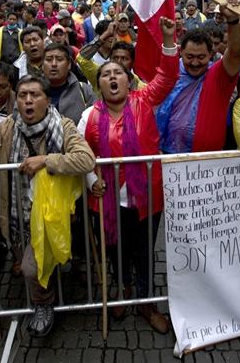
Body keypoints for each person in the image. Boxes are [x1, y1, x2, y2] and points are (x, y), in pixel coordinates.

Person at [80, 17, 178, 333]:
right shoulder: (89, 115)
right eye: (106, 74)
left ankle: (147, 303)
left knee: (145, 250)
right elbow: (82, 156)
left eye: (118, 73)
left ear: (128, 80)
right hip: (107, 199)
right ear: (99, 83)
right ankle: (122, 290)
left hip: (147, 197)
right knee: (115, 248)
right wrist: (92, 180)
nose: (112, 77)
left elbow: (167, 75)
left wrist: (168, 39)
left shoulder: (144, 100)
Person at [0, 75, 95, 336]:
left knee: (30, 269)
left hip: (51, 216)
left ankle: (43, 305)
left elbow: (86, 160)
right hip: (17, 214)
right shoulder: (6, 128)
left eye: (34, 95)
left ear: (47, 100)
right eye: (23, 95)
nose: (28, 100)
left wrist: (46, 160)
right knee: (34, 264)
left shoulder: (64, 126)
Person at [157, 0, 240, 154]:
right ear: (181, 52)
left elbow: (235, 53)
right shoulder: (172, 74)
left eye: (201, 57)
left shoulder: (219, 75)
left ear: (211, 54)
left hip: (206, 166)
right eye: (190, 57)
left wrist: (232, 21)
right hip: (168, 158)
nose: (195, 63)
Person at [42, 43, 94, 125]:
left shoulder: (85, 91)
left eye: (59, 59)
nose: (54, 64)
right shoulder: (31, 91)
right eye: (49, 59)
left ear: (69, 64)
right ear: (42, 65)